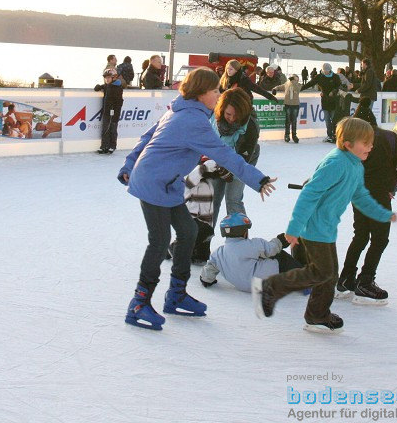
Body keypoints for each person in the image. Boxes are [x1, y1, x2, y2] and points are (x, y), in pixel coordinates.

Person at [118, 67, 275, 331]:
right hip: (154, 183)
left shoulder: (180, 110)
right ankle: (139, 303)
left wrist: (128, 164)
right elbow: (224, 154)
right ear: (202, 93)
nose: (218, 94)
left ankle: (176, 294)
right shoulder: (192, 120)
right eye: (215, 90)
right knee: (158, 243)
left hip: (167, 183)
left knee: (188, 231)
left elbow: (147, 137)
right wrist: (257, 179)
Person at [251, 118, 397, 333]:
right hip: (313, 228)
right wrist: (294, 228)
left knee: (327, 274)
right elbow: (309, 194)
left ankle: (315, 314)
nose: (371, 146)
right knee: (322, 273)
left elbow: (360, 195)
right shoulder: (336, 163)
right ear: (348, 144)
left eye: (371, 142)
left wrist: (381, 213)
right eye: (365, 143)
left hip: (326, 227)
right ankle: (276, 292)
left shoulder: (355, 165)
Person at [336, 122, 397, 304]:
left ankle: (346, 278)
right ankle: (365, 281)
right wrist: (391, 183)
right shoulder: (387, 137)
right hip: (378, 194)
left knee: (361, 236)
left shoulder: (352, 140)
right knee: (379, 238)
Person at [199, 214, 304, 292]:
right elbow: (272, 249)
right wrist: (281, 239)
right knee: (280, 256)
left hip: (242, 286)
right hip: (263, 284)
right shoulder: (252, 245)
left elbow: (208, 272)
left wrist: (206, 280)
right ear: (243, 232)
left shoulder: (218, 253)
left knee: (259, 258)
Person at [209, 87, 262, 225]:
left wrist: (227, 171)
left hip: (241, 161)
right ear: (221, 109)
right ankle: (204, 240)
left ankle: (239, 240)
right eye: (228, 114)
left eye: (236, 115)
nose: (232, 119)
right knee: (212, 199)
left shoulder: (250, 127)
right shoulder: (213, 116)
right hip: (217, 159)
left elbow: (241, 161)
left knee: (233, 198)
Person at [301, 63, 346, 143]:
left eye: (327, 70)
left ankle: (335, 135)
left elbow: (339, 86)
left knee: (334, 119)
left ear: (330, 70)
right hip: (325, 100)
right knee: (327, 119)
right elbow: (310, 83)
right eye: (324, 70)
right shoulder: (319, 77)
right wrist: (300, 89)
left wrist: (333, 92)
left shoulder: (335, 76)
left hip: (334, 100)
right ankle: (329, 135)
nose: (326, 72)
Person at [94, 66, 124, 154]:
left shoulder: (117, 87)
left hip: (114, 113)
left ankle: (112, 146)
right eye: (105, 78)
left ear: (114, 78)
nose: (106, 79)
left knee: (113, 129)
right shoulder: (107, 86)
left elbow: (119, 102)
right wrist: (98, 87)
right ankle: (104, 146)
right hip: (107, 111)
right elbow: (98, 87)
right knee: (105, 129)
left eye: (108, 77)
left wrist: (116, 113)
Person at [272, 73, 302, 143]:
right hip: (288, 104)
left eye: (297, 79)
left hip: (295, 105)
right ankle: (286, 135)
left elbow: (297, 89)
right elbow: (280, 86)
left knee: (294, 120)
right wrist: (274, 89)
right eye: (294, 79)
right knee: (288, 120)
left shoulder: (298, 85)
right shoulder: (287, 84)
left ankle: (294, 135)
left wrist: (293, 82)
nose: (296, 81)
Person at [352, 58, 378, 125]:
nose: (361, 65)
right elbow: (364, 84)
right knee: (365, 113)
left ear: (365, 64)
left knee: (366, 113)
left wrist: (359, 90)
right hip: (367, 96)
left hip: (368, 96)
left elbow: (367, 84)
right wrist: (354, 86)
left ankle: (366, 128)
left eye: (362, 64)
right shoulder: (366, 72)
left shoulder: (369, 71)